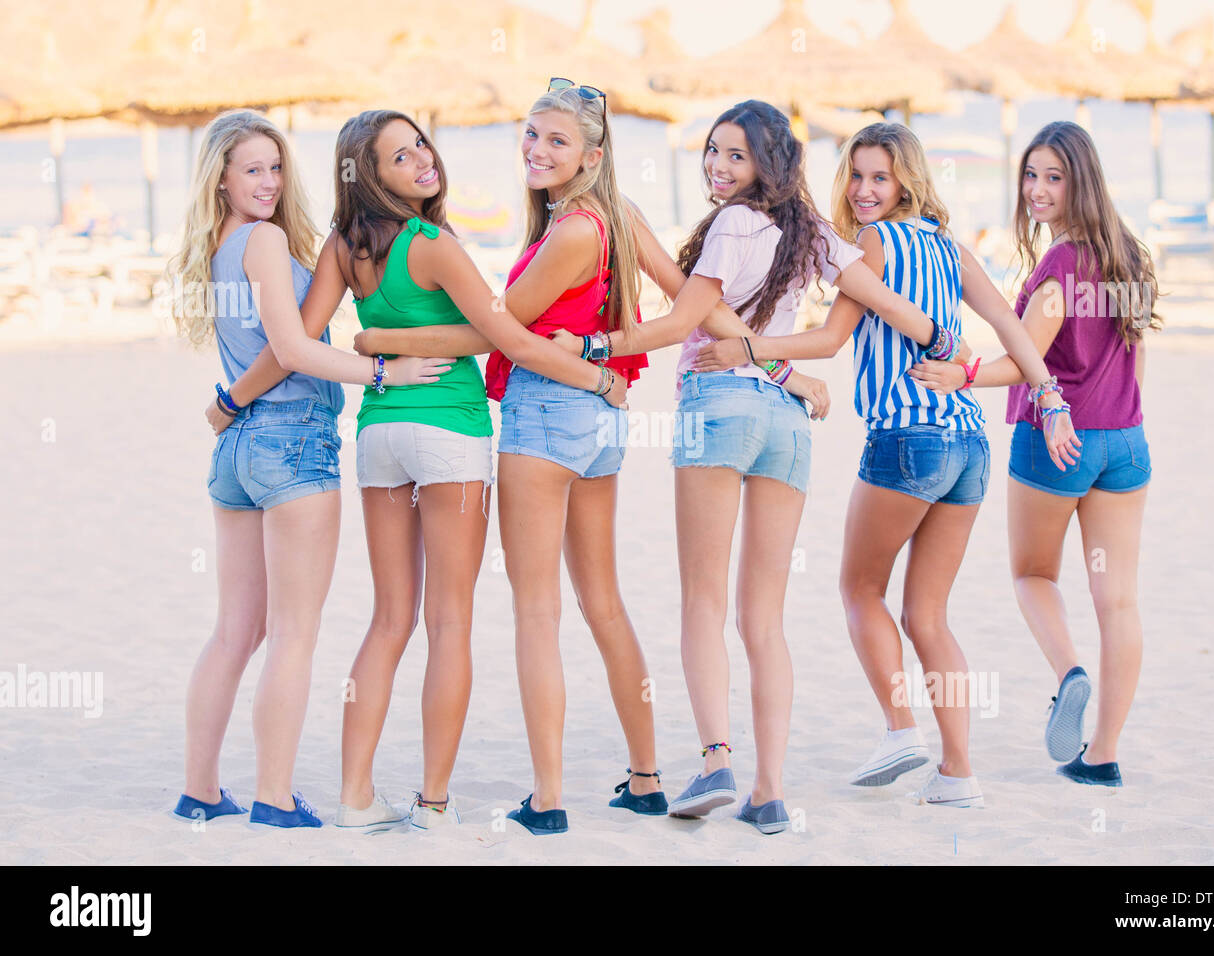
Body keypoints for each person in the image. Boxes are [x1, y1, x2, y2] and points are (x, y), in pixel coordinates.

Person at [555, 100, 966, 833]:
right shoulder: (813, 234)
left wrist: (592, 348)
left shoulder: (731, 224)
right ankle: (769, 791)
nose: (718, 166)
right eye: (713, 151)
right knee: (763, 618)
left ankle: (717, 759)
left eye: (735, 156)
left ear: (766, 166)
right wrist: (942, 342)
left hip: (717, 406)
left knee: (704, 603)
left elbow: (684, 323)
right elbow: (881, 307)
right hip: (785, 425)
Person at [217, 108, 626, 833]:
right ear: (369, 177)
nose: (422, 162)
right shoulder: (431, 242)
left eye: (421, 146)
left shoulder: (347, 247)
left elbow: (295, 342)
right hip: (450, 434)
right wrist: (597, 379)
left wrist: (241, 396)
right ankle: (433, 804)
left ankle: (353, 796)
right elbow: (511, 337)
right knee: (450, 622)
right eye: (400, 158)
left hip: (379, 436)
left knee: (387, 620)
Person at [696, 122, 1076, 809]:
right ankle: (958, 774)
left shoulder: (869, 244)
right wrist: (1047, 396)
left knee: (858, 590)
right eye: (858, 176)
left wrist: (748, 348)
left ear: (907, 181)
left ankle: (901, 728)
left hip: (907, 439)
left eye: (880, 177)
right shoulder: (949, 247)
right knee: (928, 614)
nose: (865, 191)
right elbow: (1013, 328)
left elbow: (833, 338)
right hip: (969, 446)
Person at [169, 109, 444, 829]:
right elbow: (291, 350)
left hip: (238, 451)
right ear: (220, 180)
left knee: (236, 629)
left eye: (275, 166)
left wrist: (229, 400)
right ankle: (274, 796)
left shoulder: (222, 247)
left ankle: (200, 791)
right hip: (293, 441)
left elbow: (262, 354)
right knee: (292, 632)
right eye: (250, 169)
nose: (267, 180)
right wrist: (384, 371)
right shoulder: (262, 241)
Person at [909, 120, 1159, 787]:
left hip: (1060, 441)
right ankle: (1102, 755)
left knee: (1032, 576)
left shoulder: (1062, 264)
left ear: (1081, 181)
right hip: (1126, 445)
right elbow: (1133, 353)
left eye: (1054, 176)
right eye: (1031, 175)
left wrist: (960, 372)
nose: (1039, 190)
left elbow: (1027, 360)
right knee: (1121, 603)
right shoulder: (1129, 253)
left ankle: (1068, 672)